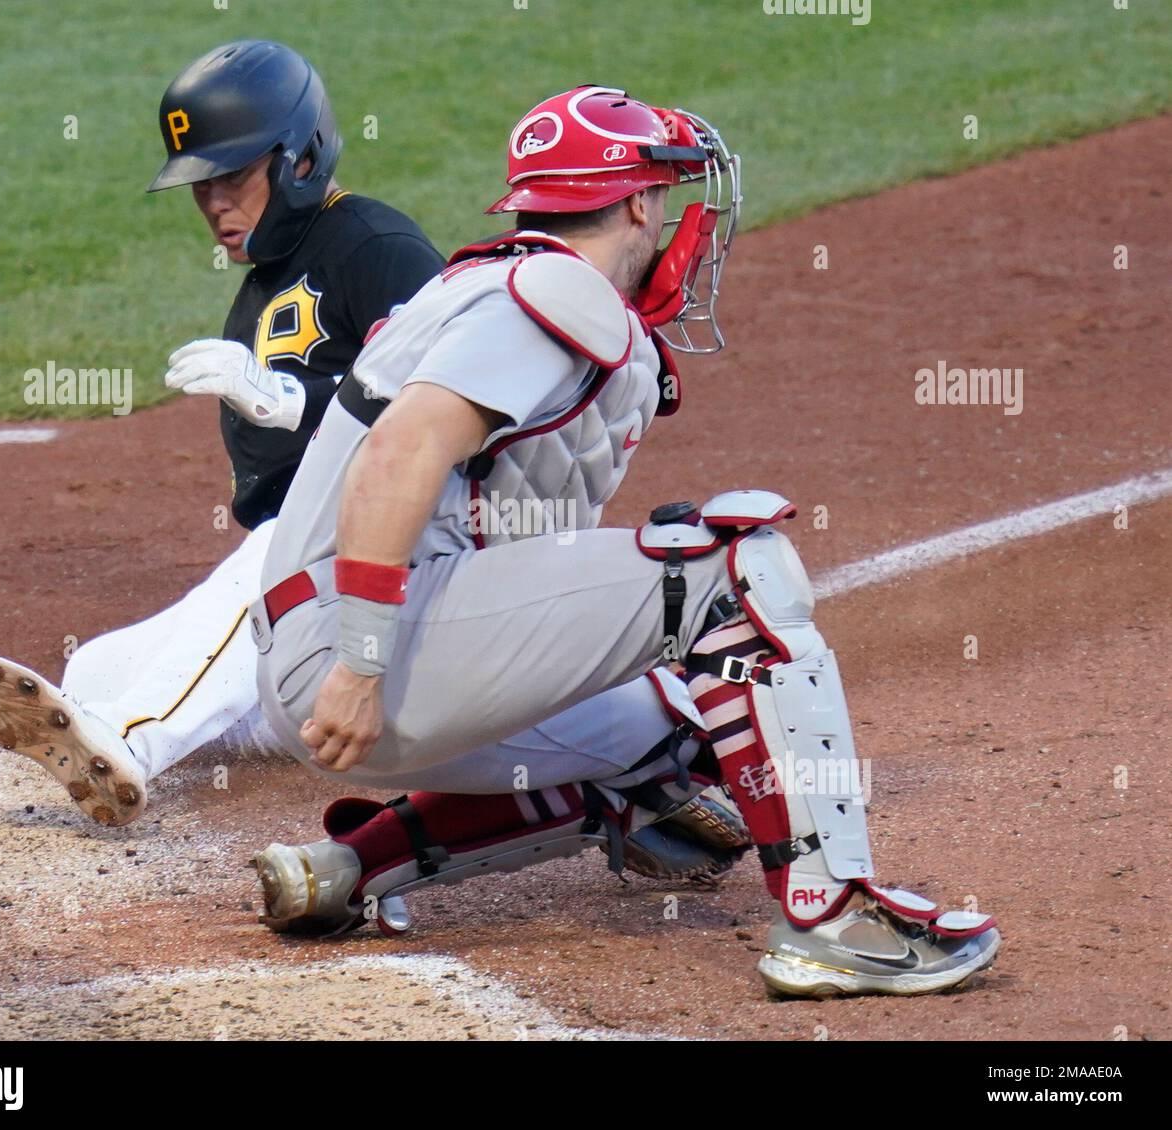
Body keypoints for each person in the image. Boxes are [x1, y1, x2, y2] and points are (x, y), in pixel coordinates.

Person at [246, 85, 1002, 997]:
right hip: (359, 655)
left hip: (361, 653)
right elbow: (397, 454)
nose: (680, 220)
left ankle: (346, 870)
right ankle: (834, 918)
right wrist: (361, 665)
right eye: (669, 192)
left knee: (694, 717)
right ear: (637, 200)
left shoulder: (493, 285)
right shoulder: (552, 289)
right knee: (733, 566)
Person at [0, 40, 444, 826]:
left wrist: (291, 400)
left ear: (301, 158)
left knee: (263, 572)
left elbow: (443, 411)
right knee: (97, 668)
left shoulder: (377, 250)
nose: (215, 203)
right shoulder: (271, 272)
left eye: (233, 177)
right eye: (201, 185)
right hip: (322, 578)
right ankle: (248, 717)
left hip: (396, 555)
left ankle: (133, 749)